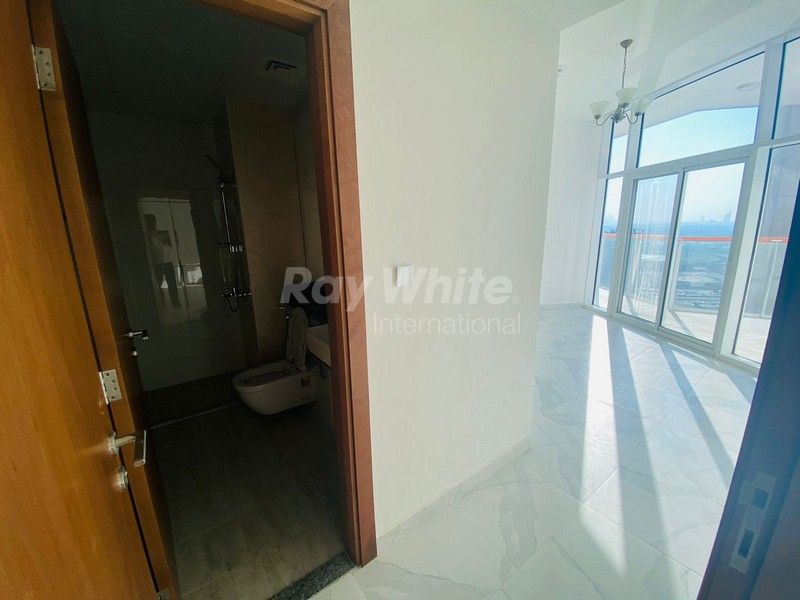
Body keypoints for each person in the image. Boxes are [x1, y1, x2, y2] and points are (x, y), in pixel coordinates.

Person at [144, 213, 181, 307]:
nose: (153, 223)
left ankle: (174, 302)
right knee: (158, 284)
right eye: (150, 222)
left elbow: (168, 245)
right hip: (157, 262)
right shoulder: (147, 236)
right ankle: (163, 302)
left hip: (166, 261)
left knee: (170, 283)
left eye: (153, 221)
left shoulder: (162, 233)